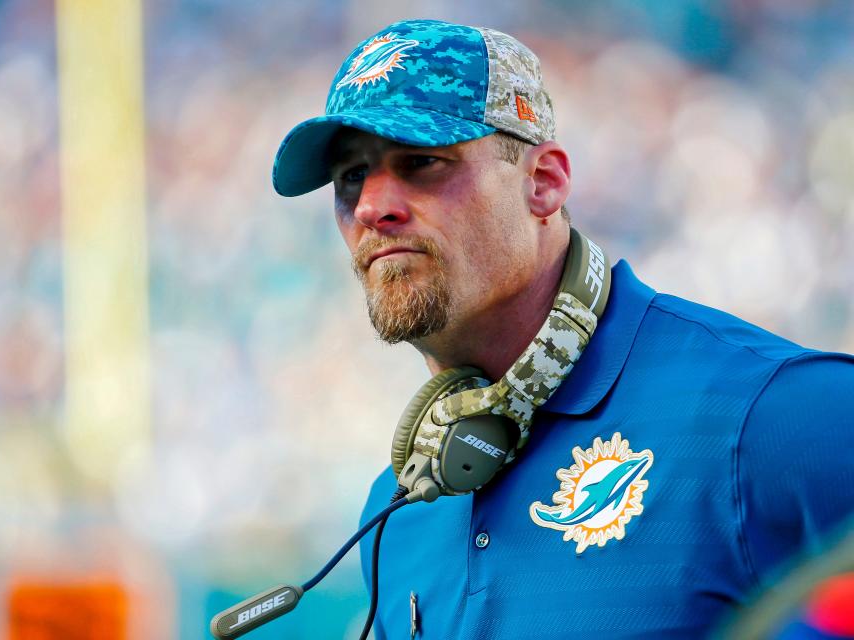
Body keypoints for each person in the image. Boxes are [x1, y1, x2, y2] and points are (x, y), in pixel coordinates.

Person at [271, 19, 854, 639]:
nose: (369, 207)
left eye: (422, 162)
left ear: (543, 183)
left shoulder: (778, 415)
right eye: (349, 178)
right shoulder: (401, 511)